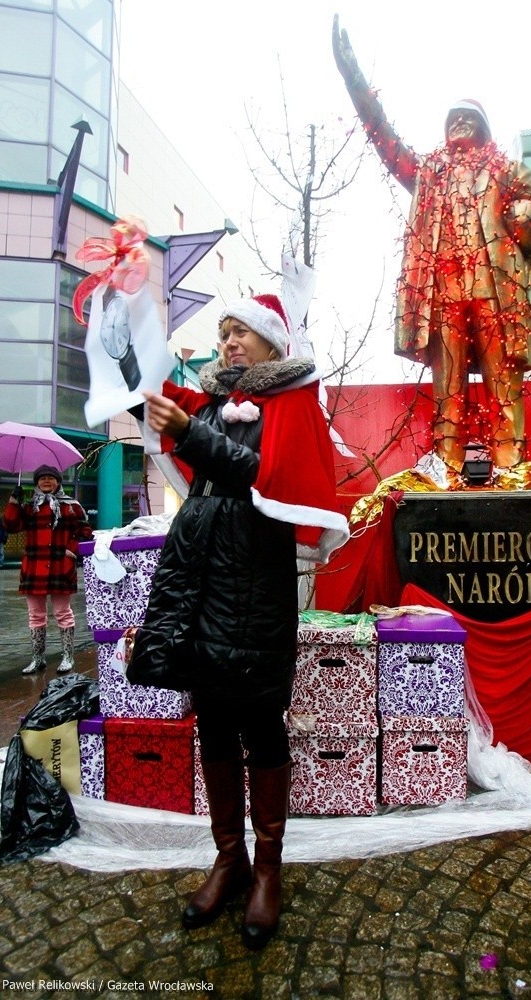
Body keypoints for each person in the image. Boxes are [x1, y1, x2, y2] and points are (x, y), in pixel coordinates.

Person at [126, 294, 349, 949]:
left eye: (240, 332)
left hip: (255, 588)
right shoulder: (214, 401)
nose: (228, 343)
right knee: (214, 721)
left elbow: (267, 479)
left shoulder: (295, 401)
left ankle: (268, 870)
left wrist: (191, 431)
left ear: (272, 343)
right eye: (223, 333)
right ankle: (230, 859)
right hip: (201, 584)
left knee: (260, 722)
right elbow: (147, 382)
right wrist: (125, 303)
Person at [332, 17, 531, 490]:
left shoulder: (506, 169)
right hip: (444, 296)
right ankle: (447, 467)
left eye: (470, 118)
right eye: (453, 117)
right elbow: (387, 141)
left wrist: (522, 267)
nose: (460, 123)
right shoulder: (430, 171)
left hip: (498, 296)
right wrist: (354, 80)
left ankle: (511, 467)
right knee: (448, 389)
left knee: (504, 385)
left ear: (484, 128)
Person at [3, 465, 92, 676]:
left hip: (61, 566)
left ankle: (68, 656)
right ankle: (37, 658)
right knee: (35, 615)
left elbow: (85, 531)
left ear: (58, 481)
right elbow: (10, 525)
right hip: (34, 567)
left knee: (63, 612)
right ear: (36, 483)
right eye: (41, 478)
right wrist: (14, 502)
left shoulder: (71, 506)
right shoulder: (29, 507)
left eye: (50, 478)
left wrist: (71, 551)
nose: (46, 481)